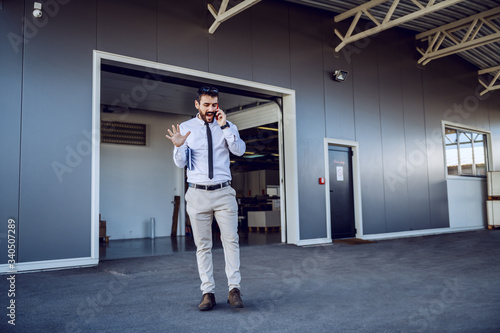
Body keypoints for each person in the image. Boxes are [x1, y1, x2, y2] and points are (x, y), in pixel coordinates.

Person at [165, 86, 246, 311]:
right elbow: (181, 163)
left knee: (231, 241)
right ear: (197, 105)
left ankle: (234, 290)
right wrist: (178, 146)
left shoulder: (228, 126)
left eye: (214, 104)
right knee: (203, 245)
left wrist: (226, 127)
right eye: (206, 104)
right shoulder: (186, 128)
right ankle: (208, 292)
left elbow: (239, 150)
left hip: (224, 192)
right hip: (197, 193)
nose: (211, 109)